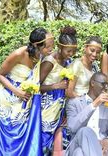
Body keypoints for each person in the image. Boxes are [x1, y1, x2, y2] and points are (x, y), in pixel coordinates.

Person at [0, 27, 54, 155]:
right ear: (36, 45)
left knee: (26, 138)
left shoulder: (41, 56)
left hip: (27, 101)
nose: (51, 49)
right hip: (10, 100)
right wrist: (18, 92)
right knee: (11, 140)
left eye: (52, 46)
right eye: (48, 46)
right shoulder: (19, 54)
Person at [40, 25, 77, 154]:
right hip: (45, 109)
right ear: (60, 47)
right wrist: (56, 86)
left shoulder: (68, 62)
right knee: (43, 143)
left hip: (58, 109)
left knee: (55, 146)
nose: (71, 54)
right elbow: (35, 87)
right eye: (68, 51)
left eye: (73, 51)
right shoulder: (49, 62)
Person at [65, 72, 108, 156]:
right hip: (78, 143)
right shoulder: (74, 102)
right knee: (85, 130)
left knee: (78, 153)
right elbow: (72, 127)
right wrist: (94, 104)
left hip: (101, 148)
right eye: (103, 84)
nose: (106, 88)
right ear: (92, 83)